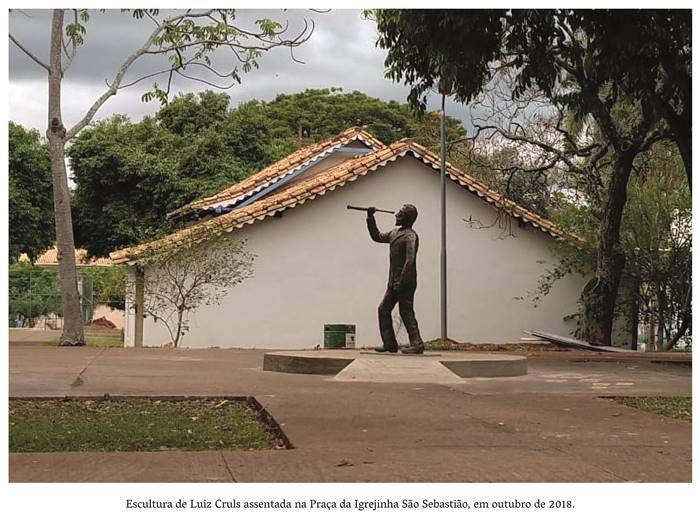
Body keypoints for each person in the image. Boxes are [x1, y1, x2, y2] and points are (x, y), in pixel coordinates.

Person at [366, 204, 425, 354]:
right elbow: (377, 237)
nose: (396, 214)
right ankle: (390, 343)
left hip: (406, 282)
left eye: (401, 213)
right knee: (383, 309)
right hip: (393, 281)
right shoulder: (394, 233)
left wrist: (402, 281)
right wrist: (370, 218)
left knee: (406, 311)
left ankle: (417, 344)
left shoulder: (411, 236)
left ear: (407, 218)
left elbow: (410, 261)